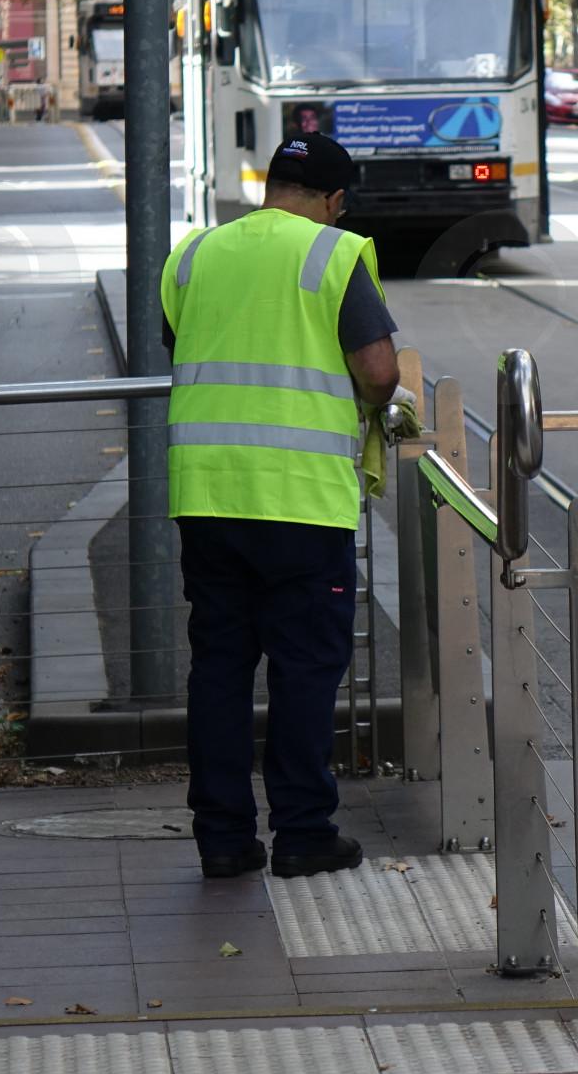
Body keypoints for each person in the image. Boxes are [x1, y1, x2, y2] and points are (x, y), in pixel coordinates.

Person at [160, 132, 400, 880]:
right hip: (302, 501)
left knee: (219, 668)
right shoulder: (333, 253)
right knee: (304, 670)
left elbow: (181, 342)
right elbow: (378, 371)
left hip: (207, 495)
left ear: (269, 189)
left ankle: (223, 838)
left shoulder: (196, 253)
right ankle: (303, 832)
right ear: (334, 200)